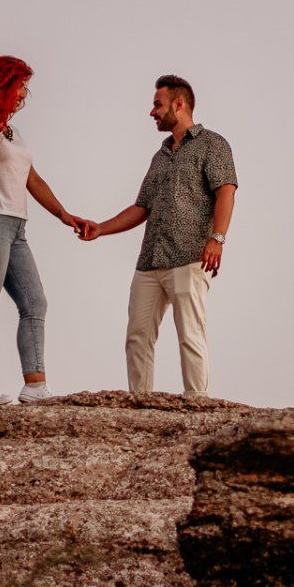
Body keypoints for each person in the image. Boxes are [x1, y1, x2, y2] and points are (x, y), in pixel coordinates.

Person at [77, 74, 237, 398]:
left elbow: (226, 191)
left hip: (189, 256)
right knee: (137, 335)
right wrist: (101, 228)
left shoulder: (212, 144)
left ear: (178, 104)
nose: (152, 112)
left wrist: (217, 239)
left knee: (190, 334)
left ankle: (198, 404)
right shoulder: (160, 156)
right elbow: (142, 207)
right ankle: (141, 402)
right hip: (150, 260)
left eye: (157, 105)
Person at [0, 55, 85, 406]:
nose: (24, 94)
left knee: (34, 301)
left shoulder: (12, 133)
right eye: (20, 86)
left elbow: (32, 180)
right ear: (1, 85)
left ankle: (35, 385)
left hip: (16, 227)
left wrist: (64, 215)